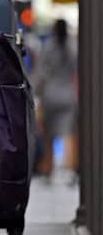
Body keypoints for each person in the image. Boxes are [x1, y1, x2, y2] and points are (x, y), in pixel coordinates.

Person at [32, 19, 78, 180]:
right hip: (68, 95)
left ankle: (48, 168)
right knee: (69, 134)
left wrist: (36, 93)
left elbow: (40, 72)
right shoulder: (72, 46)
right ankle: (70, 169)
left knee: (48, 134)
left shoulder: (48, 46)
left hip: (50, 95)